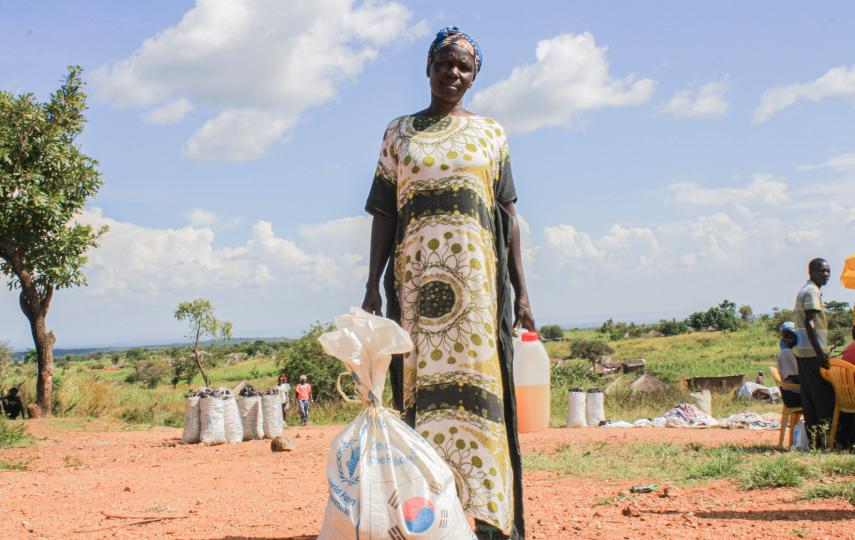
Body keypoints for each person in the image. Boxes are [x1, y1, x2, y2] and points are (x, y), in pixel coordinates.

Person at [362, 26, 534, 540]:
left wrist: (522, 293)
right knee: (420, 391)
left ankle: (485, 518)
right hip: (416, 292)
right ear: (428, 67)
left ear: (474, 76)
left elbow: (509, 218)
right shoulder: (399, 133)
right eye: (445, 63)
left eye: (464, 67)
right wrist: (372, 284)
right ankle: (426, 518)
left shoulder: (491, 134)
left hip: (480, 294)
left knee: (482, 396)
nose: (453, 74)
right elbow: (383, 215)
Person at [793, 258, 836, 448]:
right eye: (822, 271)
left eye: (828, 271)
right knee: (823, 398)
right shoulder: (812, 291)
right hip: (811, 353)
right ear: (811, 272)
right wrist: (820, 353)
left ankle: (814, 442)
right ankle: (826, 441)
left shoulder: (807, 289)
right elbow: (810, 322)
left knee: (809, 398)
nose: (826, 275)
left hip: (803, 352)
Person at [776, 323, 801, 408]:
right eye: (785, 336)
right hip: (795, 395)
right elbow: (796, 379)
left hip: (796, 393)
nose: (788, 339)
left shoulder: (793, 353)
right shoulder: (786, 353)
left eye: (790, 335)